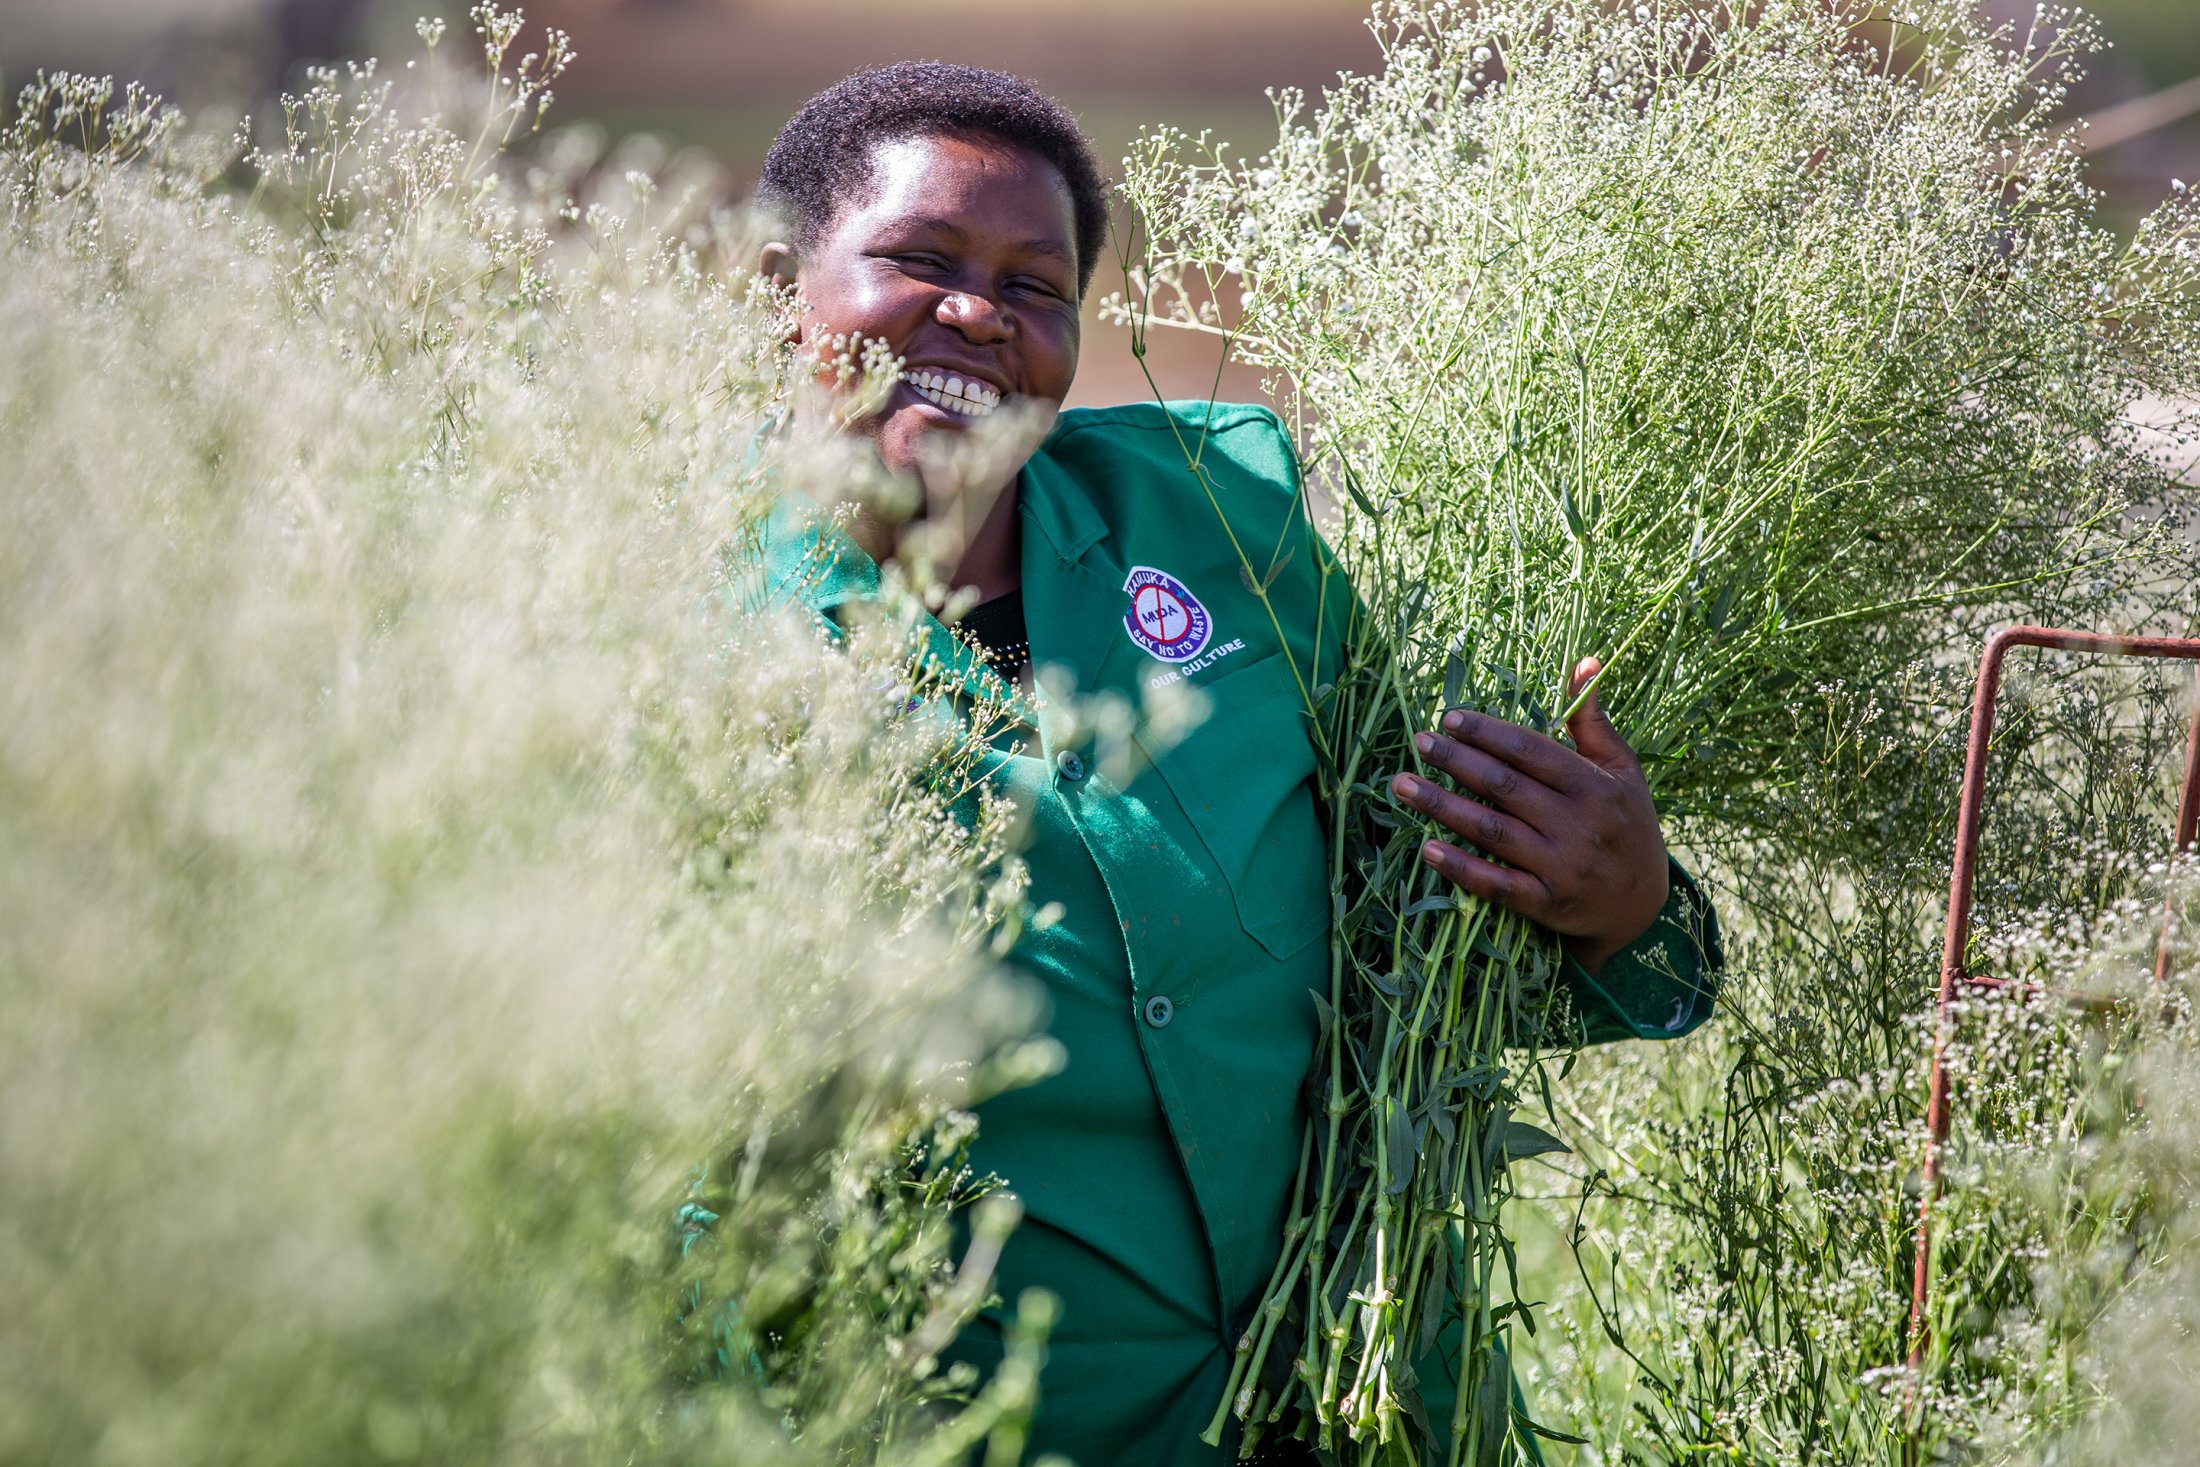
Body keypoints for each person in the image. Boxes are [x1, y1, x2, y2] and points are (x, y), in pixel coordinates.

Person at [748, 62, 1720, 1464]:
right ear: (779, 286)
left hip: (1355, 1409)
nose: (977, 314)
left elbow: (1420, 940)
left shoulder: (1220, 522)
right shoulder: (665, 633)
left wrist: (1628, 911)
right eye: (920, 261)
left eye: (1038, 286)